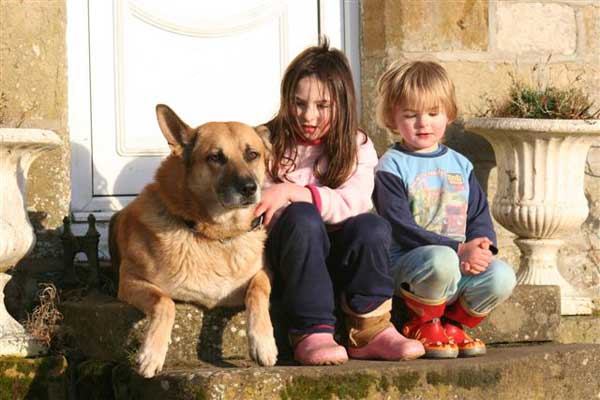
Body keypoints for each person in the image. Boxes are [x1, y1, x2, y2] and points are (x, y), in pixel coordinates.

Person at [254, 40, 425, 366]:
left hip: (337, 257)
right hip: (291, 256)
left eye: (323, 106)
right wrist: (293, 201)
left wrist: (293, 191)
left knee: (372, 226)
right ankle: (311, 330)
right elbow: (259, 206)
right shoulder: (266, 141)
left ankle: (369, 329)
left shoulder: (357, 145)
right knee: (302, 218)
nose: (308, 116)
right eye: (298, 103)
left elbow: (355, 202)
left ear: (342, 105)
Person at [372, 60, 517, 358]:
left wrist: (481, 247)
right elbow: (399, 226)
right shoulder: (391, 166)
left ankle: (453, 326)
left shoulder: (460, 165)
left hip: (458, 261)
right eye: (411, 115)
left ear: (448, 114)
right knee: (441, 259)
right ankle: (422, 323)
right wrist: (457, 249)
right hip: (412, 265)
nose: (423, 123)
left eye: (433, 113)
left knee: (502, 276)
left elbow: (477, 213)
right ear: (391, 118)